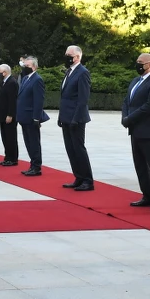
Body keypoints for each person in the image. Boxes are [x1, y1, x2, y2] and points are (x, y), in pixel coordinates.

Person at [121, 53, 150, 210]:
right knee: (140, 165)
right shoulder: (136, 81)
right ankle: (148, 195)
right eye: (137, 61)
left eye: (141, 62)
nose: (138, 65)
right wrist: (125, 116)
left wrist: (130, 119)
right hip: (136, 130)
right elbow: (127, 101)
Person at [58, 45, 94, 191]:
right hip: (66, 117)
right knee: (70, 149)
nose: (66, 57)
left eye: (69, 55)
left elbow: (83, 99)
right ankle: (78, 177)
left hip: (76, 118)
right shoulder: (69, 72)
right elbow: (65, 97)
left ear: (77, 57)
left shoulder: (83, 72)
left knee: (78, 149)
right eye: (66, 54)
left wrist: (76, 118)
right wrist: (61, 117)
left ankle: (87, 180)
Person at [16, 56, 50, 177]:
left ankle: (36, 166)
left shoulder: (37, 80)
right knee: (28, 142)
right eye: (24, 66)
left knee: (34, 143)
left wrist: (37, 118)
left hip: (31, 117)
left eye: (28, 66)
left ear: (34, 67)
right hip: (24, 116)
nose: (25, 68)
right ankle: (32, 164)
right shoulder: (26, 78)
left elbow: (38, 101)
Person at [0, 63, 19, 166]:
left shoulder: (12, 82)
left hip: (9, 115)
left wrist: (10, 115)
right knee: (5, 137)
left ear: (4, 72)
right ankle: (7, 157)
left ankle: (12, 159)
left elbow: (13, 100)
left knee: (10, 137)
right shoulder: (3, 82)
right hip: (2, 115)